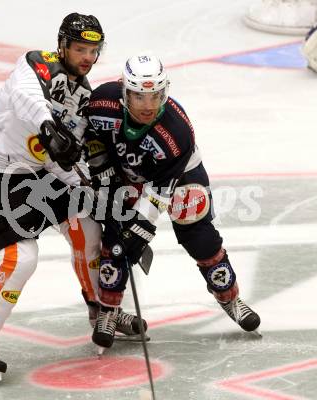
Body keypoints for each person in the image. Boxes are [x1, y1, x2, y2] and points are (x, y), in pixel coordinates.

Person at [0, 13, 143, 383]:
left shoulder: (82, 95)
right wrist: (49, 127)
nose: (88, 57)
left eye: (94, 50)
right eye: (80, 48)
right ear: (62, 46)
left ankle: (100, 308)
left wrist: (87, 187)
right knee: (21, 258)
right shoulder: (35, 64)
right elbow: (27, 100)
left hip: (32, 169)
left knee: (87, 227)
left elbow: (60, 158)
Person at [83, 54, 261, 350]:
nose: (148, 106)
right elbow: (91, 133)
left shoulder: (176, 131)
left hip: (177, 174)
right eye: (139, 96)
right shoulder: (102, 101)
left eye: (155, 96)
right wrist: (101, 166)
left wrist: (141, 227)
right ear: (125, 91)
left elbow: (161, 190)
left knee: (198, 234)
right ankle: (108, 309)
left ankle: (229, 296)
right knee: (115, 236)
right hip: (125, 173)